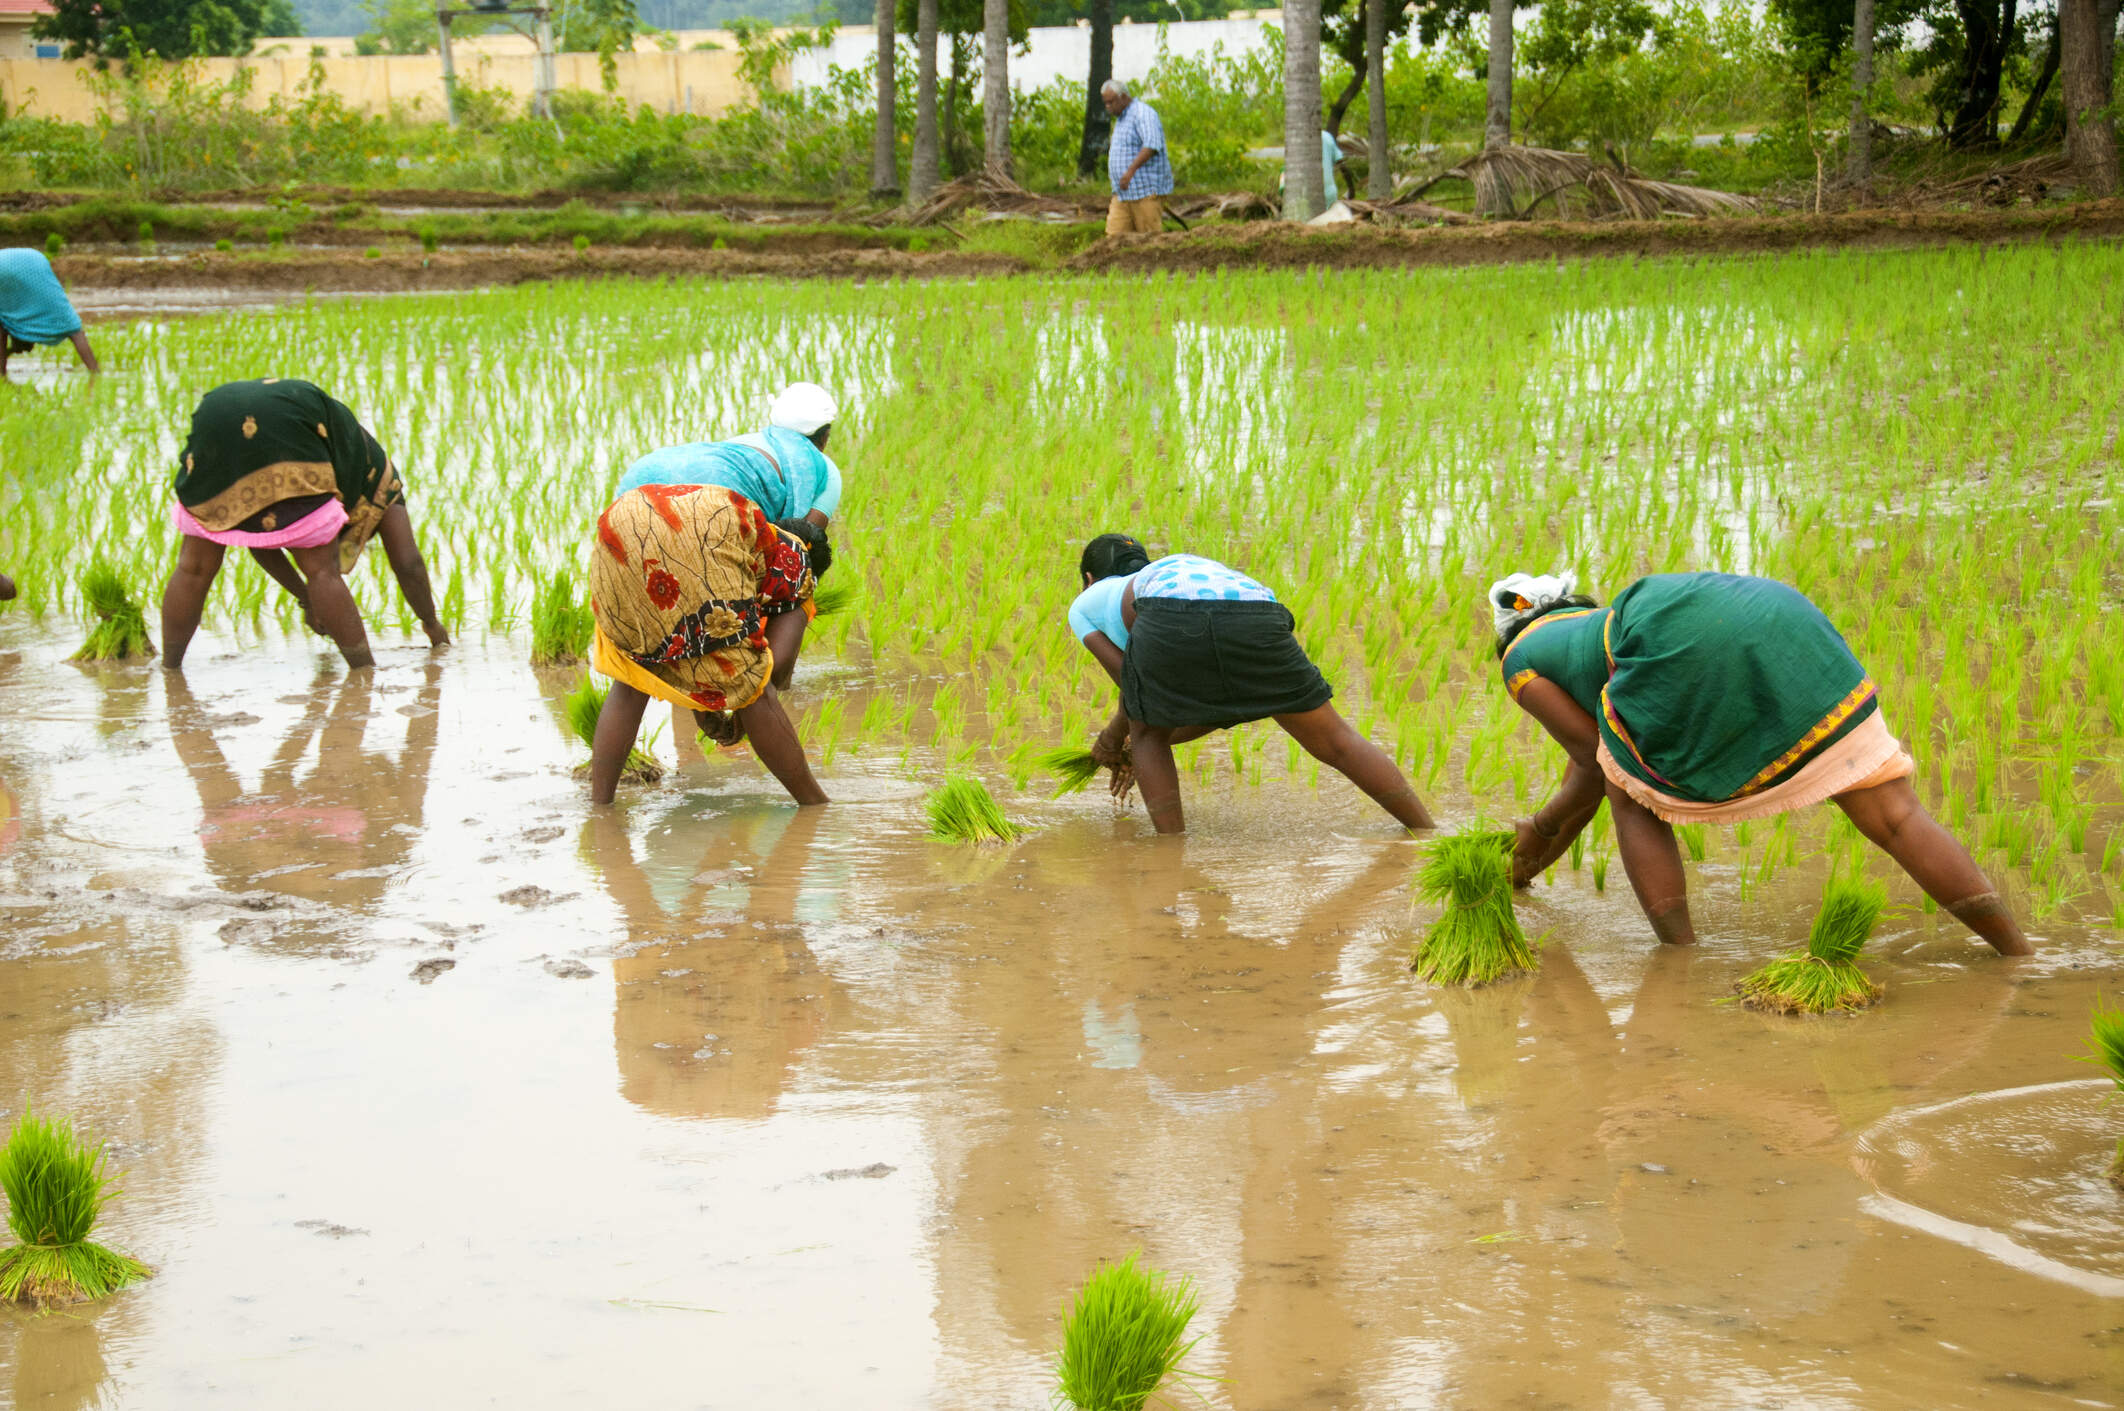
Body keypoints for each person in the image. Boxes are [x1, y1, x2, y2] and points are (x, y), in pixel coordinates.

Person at [1493, 569, 2031, 956]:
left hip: (1683, 640)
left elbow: (1593, 763)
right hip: (1779, 613)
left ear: (1509, 637)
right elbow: (1599, 755)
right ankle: (2015, 951)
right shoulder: (1594, 626)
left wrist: (1537, 832)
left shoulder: (1521, 661)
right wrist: (1529, 864)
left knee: (1631, 798)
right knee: (1894, 814)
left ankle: (1682, 959)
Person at [1070, 533, 1434, 835]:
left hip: (1169, 612)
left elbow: (1134, 688)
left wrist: (1116, 739)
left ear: (1089, 579)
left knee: (1147, 733)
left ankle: (1170, 859)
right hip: (1259, 611)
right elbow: (1214, 706)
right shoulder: (1182, 568)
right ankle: (1427, 832)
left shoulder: (1087, 603)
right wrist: (1127, 741)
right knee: (1336, 740)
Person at [159, 378, 450, 672]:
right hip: (289, 430)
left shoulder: (348, 453)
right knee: (322, 570)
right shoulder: (383, 481)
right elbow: (408, 563)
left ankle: (169, 671)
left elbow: (260, 538)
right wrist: (432, 626)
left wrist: (307, 597)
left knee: (193, 567)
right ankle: (364, 676)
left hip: (215, 412)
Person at [616, 382, 841, 752]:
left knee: (651, 643)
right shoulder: (824, 471)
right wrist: (744, 703)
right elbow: (798, 545)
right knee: (792, 584)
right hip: (708, 517)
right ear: (826, 435)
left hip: (629, 506)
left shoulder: (739, 447)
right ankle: (752, 708)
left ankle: (602, 802)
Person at [584, 480, 829, 809]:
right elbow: (771, 672)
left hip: (620, 525)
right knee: (758, 695)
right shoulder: (797, 565)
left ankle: (600, 806)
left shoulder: (750, 542)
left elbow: (691, 649)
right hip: (695, 537)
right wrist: (735, 719)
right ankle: (815, 804)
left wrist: (709, 706)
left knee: (630, 683)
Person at [0, 248, 100, 376]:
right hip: (34, 260)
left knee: (3, 322)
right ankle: (95, 372)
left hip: (19, 265)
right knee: (73, 328)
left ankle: (1, 376)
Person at [1101, 80, 1174, 236]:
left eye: (1111, 102)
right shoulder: (1121, 119)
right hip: (1123, 193)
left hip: (1145, 191)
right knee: (1114, 239)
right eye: (1105, 103)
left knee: (1149, 239)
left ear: (1123, 97)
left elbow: (1152, 145)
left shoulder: (1142, 113)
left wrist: (1130, 172)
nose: (1108, 107)